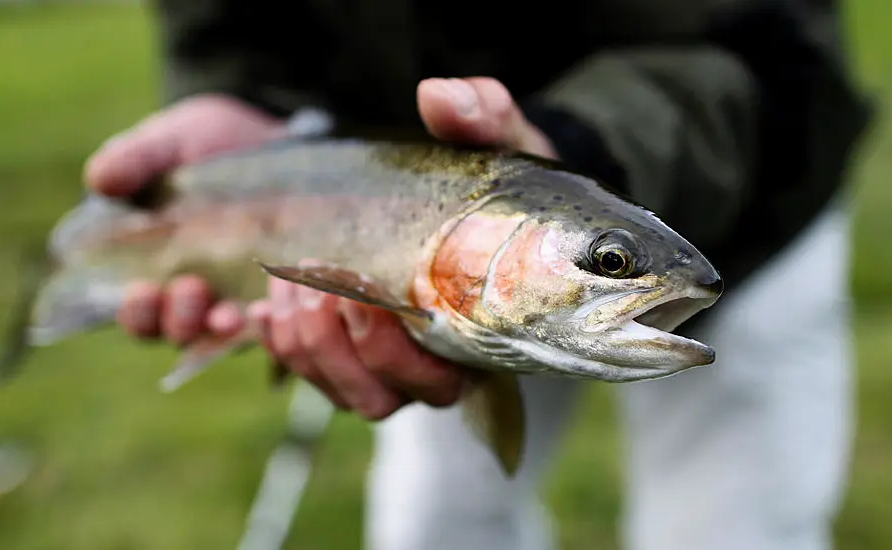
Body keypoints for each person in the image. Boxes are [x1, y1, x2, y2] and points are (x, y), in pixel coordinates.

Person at [83, 1, 874, 549]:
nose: (609, 271)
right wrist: (235, 93)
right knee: (434, 528)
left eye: (606, 266)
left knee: (731, 532)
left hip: (761, 185)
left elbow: (752, 40)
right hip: (439, 233)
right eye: (606, 266)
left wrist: (571, 150)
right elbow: (219, 22)